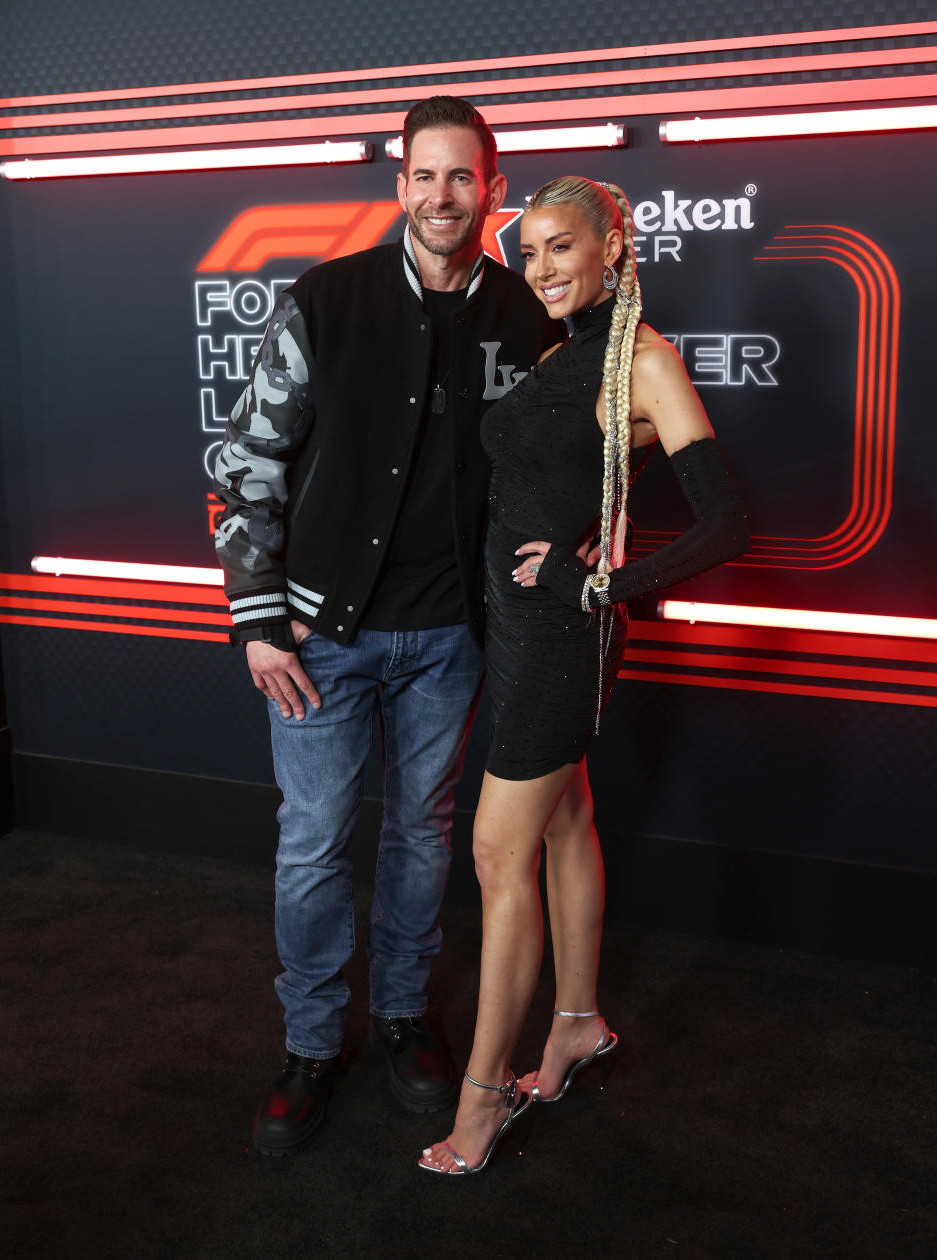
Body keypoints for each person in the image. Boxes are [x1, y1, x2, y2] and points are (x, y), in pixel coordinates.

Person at [211, 97, 564, 1156]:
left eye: (464, 178)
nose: (443, 196)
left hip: (451, 640)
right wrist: (258, 620)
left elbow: (575, 452)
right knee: (314, 844)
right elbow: (244, 465)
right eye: (425, 175)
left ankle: (404, 1017)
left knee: (421, 833)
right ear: (398, 183)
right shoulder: (327, 299)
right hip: (318, 639)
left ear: (492, 192)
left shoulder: (526, 317)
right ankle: (315, 1044)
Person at [419, 176, 749, 1174]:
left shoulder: (643, 364)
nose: (542, 269)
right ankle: (574, 1025)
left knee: (494, 857)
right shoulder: (568, 355)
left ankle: (482, 1103)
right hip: (516, 630)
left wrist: (602, 585)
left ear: (616, 247)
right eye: (530, 254)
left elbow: (726, 524)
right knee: (566, 823)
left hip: (560, 641)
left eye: (562, 248)